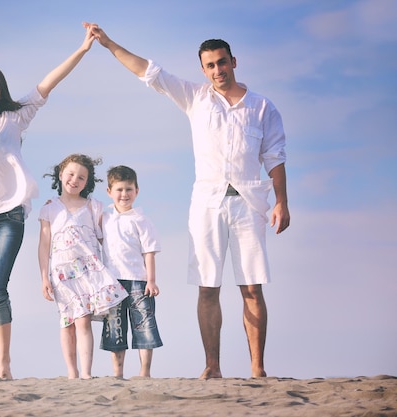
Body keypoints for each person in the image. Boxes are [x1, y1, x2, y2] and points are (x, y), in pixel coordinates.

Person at [87, 22, 290, 379]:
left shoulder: (261, 107)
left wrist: (281, 202)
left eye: (222, 62)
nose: (218, 70)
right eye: (210, 65)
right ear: (203, 69)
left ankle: (257, 368)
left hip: (248, 203)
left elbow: (275, 156)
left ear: (234, 61)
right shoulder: (195, 97)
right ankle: (213, 366)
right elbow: (148, 72)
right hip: (207, 203)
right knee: (208, 286)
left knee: (252, 287)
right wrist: (107, 43)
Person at [0, 27, 96, 380]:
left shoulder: (14, 118)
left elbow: (48, 83)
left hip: (8, 217)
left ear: (1, 93)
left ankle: (4, 363)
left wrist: (83, 49)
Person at [38, 154, 129, 379]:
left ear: (87, 182)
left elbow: (106, 238)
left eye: (81, 177)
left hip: (89, 271)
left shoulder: (93, 206)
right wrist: (44, 278)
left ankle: (86, 373)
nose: (74, 180)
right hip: (61, 274)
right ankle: (72, 372)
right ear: (60, 175)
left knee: (84, 319)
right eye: (70, 174)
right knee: (67, 322)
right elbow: (43, 245)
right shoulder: (49, 208)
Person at [100, 165, 163, 378]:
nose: (124, 194)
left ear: (136, 191)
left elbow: (149, 252)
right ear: (109, 192)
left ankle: (144, 372)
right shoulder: (105, 218)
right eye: (119, 189)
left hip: (138, 281)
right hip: (112, 282)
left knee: (143, 325)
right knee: (115, 329)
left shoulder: (142, 220)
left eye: (129, 189)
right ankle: (117, 373)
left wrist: (151, 281)